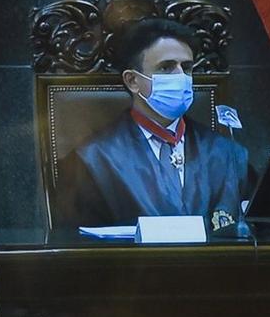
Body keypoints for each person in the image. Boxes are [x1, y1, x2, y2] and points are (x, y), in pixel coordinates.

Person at [51, 16, 250, 233]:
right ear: (132, 81)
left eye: (187, 67)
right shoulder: (93, 161)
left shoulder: (228, 153)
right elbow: (74, 248)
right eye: (166, 68)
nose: (181, 77)